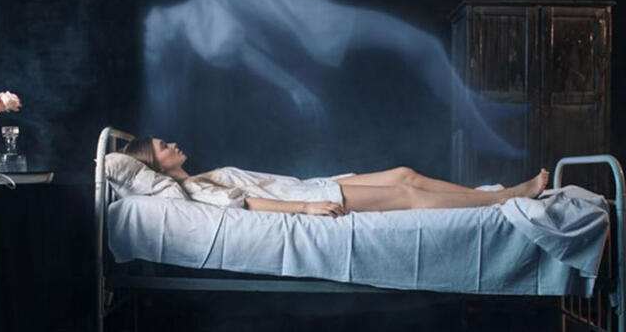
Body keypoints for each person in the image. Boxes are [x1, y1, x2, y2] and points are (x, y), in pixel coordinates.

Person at [143, 0, 530, 159]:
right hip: (323, 26)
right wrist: (295, 89)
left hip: (320, 22)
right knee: (423, 46)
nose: (151, 25)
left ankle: (479, 112)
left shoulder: (200, 15)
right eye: (152, 34)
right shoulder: (200, 23)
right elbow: (249, 56)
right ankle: (479, 127)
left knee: (422, 47)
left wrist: (295, 87)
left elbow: (246, 52)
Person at [121, 136, 550, 218]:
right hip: (311, 195)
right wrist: (306, 207)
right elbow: (245, 203)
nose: (172, 144)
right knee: (406, 192)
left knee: (405, 173)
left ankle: (483, 193)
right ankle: (502, 199)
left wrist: (312, 189)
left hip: (315, 182)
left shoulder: (202, 176)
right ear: (156, 164)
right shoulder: (193, 188)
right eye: (162, 146)